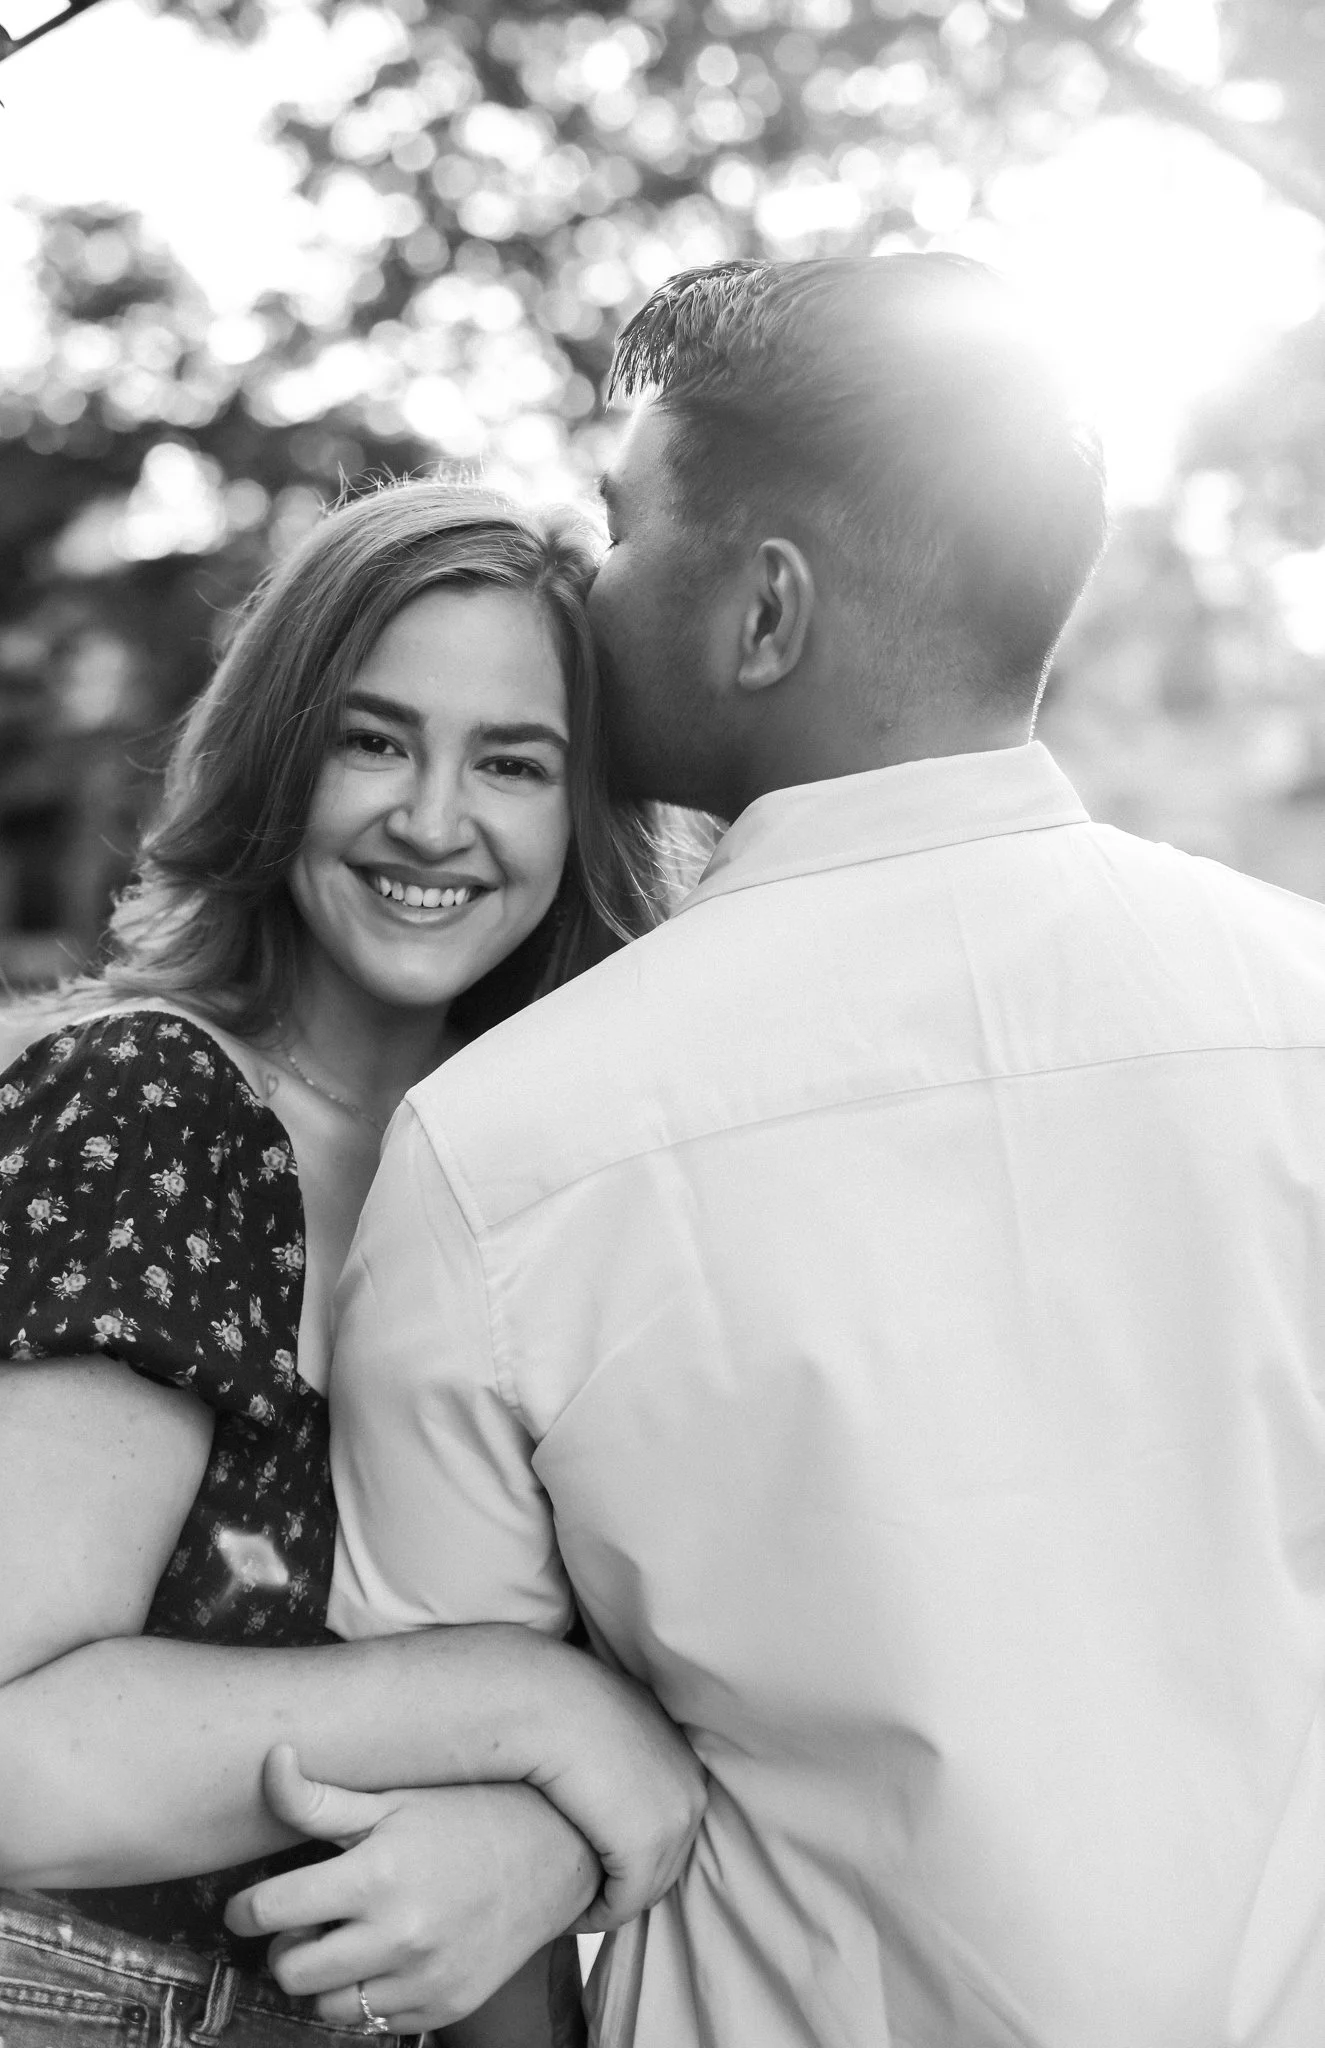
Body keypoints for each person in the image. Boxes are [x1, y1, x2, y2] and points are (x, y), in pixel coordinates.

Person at [258, 254, 1325, 2046]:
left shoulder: (506, 1149)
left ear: (765, 612)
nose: (587, 590)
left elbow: (445, 1813)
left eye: (620, 528)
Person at [0, 480, 707, 2048]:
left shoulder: (567, 1182)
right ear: (279, 756)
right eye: (373, 739)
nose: (431, 821)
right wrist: (532, 1709)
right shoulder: (149, 1108)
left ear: (585, 817)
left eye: (513, 763)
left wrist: (545, 1838)